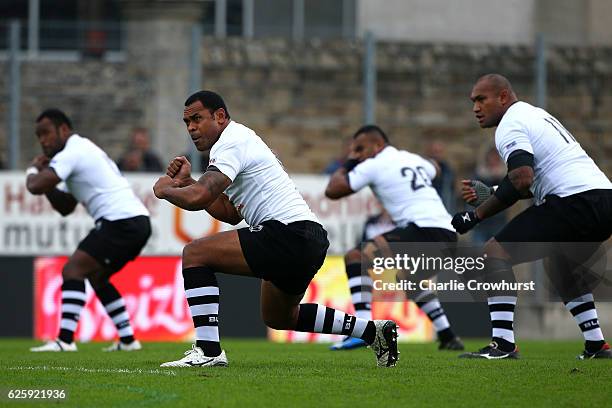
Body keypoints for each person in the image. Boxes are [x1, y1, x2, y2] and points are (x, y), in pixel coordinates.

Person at [153, 91, 399, 368]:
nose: (192, 128)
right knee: (279, 317)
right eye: (187, 123)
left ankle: (208, 350)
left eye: (197, 119)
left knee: (195, 254)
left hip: (287, 233)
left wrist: (166, 190)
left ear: (220, 116)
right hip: (308, 239)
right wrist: (186, 184)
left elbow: (200, 197)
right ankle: (372, 331)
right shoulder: (238, 141)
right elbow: (231, 213)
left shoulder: (230, 142)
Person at [452, 74, 612, 359]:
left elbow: (522, 179)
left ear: (503, 97)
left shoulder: (510, 124)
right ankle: (596, 345)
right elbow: (534, 180)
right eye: (472, 101)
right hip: (603, 200)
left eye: (481, 99)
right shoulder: (535, 115)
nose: (475, 108)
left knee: (494, 252)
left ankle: (502, 344)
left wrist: (475, 216)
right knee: (562, 267)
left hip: (573, 202)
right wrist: (492, 191)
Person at [325, 125, 464, 351]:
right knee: (408, 279)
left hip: (423, 230)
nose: (357, 153)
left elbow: (333, 191)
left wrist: (350, 161)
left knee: (356, 256)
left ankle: (364, 329)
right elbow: (435, 168)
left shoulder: (373, 164)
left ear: (377, 145)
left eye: (360, 148)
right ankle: (448, 336)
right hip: (448, 234)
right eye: (354, 150)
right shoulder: (411, 158)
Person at [27, 109, 151, 352]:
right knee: (97, 276)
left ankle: (64, 340)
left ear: (64, 130)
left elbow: (35, 186)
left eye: (46, 133)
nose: (42, 140)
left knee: (73, 270)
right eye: (38, 135)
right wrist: (47, 179)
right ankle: (128, 340)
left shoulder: (73, 151)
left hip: (120, 221)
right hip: (135, 222)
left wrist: (34, 169)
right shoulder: (79, 150)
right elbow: (65, 206)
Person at [469, 145, 508, 243]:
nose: (493, 161)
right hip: (481, 224)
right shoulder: (478, 176)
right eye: (492, 158)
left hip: (499, 223)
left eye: (496, 158)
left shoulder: (505, 178)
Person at [424, 141, 456, 213]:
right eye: (434, 152)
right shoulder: (422, 170)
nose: (436, 155)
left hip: (444, 209)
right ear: (428, 152)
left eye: (439, 152)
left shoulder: (448, 170)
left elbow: (451, 193)